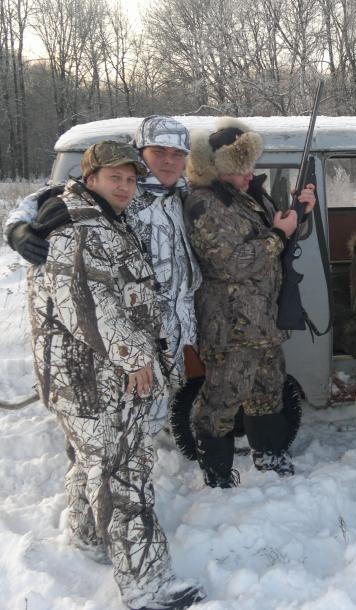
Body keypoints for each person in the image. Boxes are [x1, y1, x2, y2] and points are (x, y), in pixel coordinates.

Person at [26, 141, 204, 610]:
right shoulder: (79, 228)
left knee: (95, 463)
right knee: (125, 476)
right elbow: (88, 307)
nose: (124, 187)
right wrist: (136, 358)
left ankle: (87, 535)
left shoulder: (103, 218)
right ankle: (148, 586)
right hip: (95, 379)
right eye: (114, 178)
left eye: (129, 179)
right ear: (91, 179)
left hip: (88, 377)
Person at [5, 116, 203, 462]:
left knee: (160, 402)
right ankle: (107, 469)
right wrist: (17, 229)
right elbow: (53, 198)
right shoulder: (121, 190)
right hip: (133, 326)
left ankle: (139, 464)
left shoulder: (182, 193)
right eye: (159, 152)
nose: (169, 161)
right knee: (120, 419)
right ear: (140, 153)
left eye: (177, 154)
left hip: (179, 321)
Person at [183, 118, 315, 488]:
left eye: (250, 166)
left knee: (268, 393)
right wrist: (278, 234)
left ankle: (270, 457)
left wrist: (301, 214)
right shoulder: (204, 203)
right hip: (230, 328)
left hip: (263, 322)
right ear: (217, 169)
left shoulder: (249, 196)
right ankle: (218, 476)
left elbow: (281, 238)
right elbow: (232, 263)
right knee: (221, 403)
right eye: (240, 169)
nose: (249, 175)